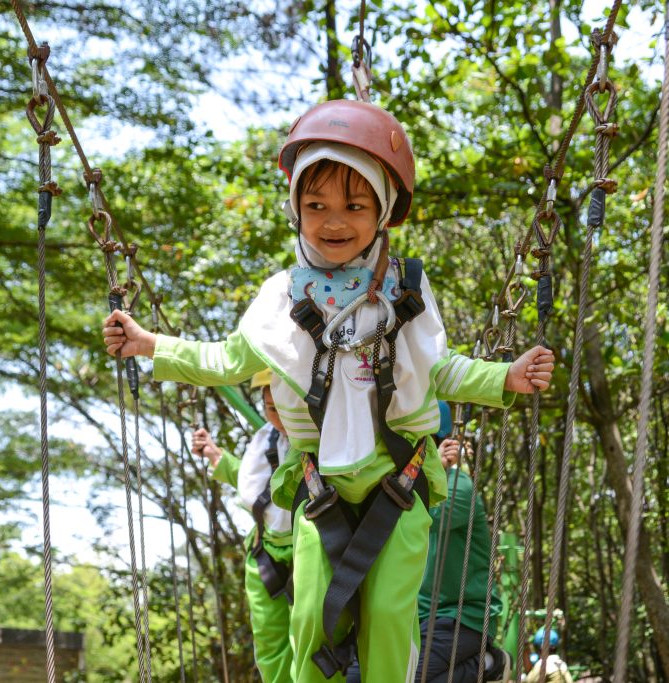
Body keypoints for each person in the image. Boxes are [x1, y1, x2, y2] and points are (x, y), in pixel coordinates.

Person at [102, 99, 555, 682]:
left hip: (401, 479)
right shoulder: (281, 297)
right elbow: (225, 359)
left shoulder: (406, 290)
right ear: (295, 211)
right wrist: (149, 345)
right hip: (320, 487)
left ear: (383, 212)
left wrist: (506, 378)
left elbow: (439, 370)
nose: (333, 221)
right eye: (315, 206)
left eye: (354, 206)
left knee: (392, 616)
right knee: (312, 618)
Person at [346, 401, 510, 683]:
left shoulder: (459, 489)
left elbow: (401, 518)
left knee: (410, 678)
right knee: (354, 677)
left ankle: (487, 664)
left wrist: (436, 470)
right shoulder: (389, 489)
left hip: (460, 619)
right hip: (412, 618)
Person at [190, 369, 293, 683]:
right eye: (270, 408)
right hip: (265, 553)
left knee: (313, 640)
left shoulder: (320, 438)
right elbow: (255, 483)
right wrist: (214, 454)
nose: (277, 416)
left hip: (309, 548)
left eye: (284, 407)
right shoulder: (267, 438)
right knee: (270, 643)